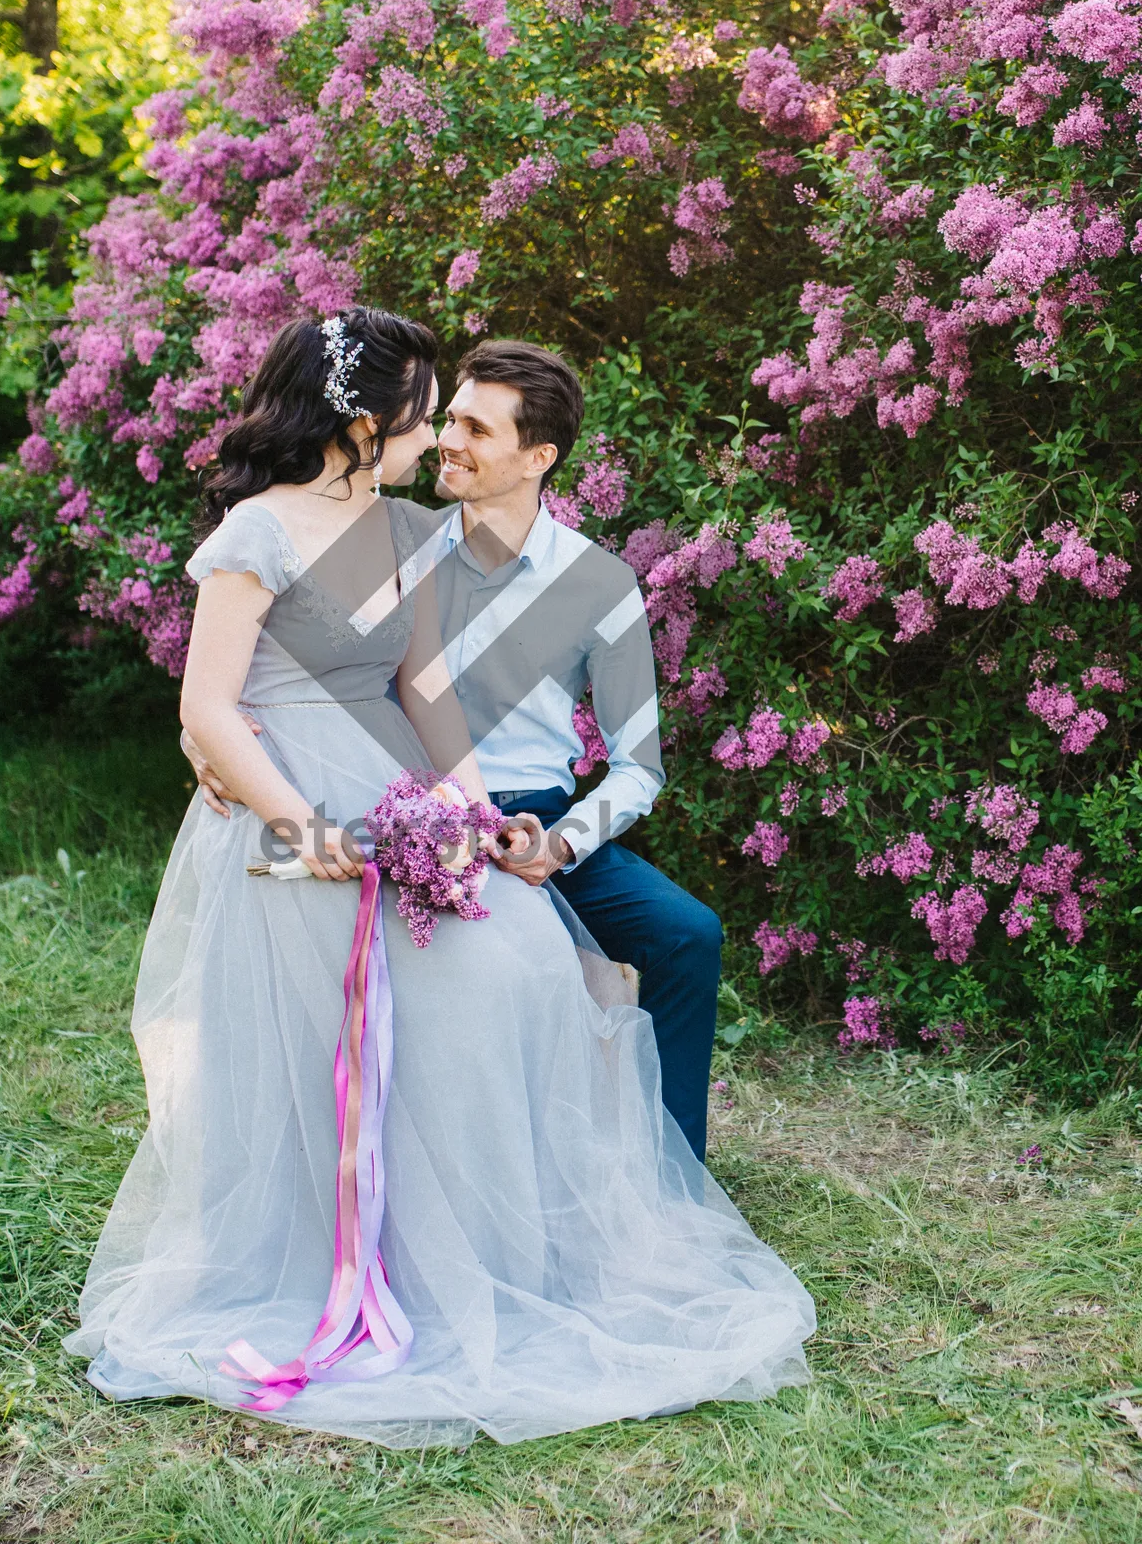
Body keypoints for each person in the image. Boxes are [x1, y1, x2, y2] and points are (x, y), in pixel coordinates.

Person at [67, 306, 815, 1447]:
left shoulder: (428, 539)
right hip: (293, 808)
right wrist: (291, 815)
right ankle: (332, 1255)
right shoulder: (259, 533)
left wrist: (466, 806)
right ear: (366, 425)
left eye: (460, 423)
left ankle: (513, 1236)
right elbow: (210, 701)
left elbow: (427, 691)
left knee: (521, 967)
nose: (437, 441)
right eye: (427, 418)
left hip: (420, 793)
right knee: (321, 1028)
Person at [189, 339, 724, 1161]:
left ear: (537, 456)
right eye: (446, 419)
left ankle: (670, 1171)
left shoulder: (601, 585)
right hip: (396, 804)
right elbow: (265, 658)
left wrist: (563, 841)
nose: (447, 439)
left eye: (474, 428)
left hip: (535, 821)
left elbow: (639, 763)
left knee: (687, 934)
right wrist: (199, 732)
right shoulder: (390, 532)